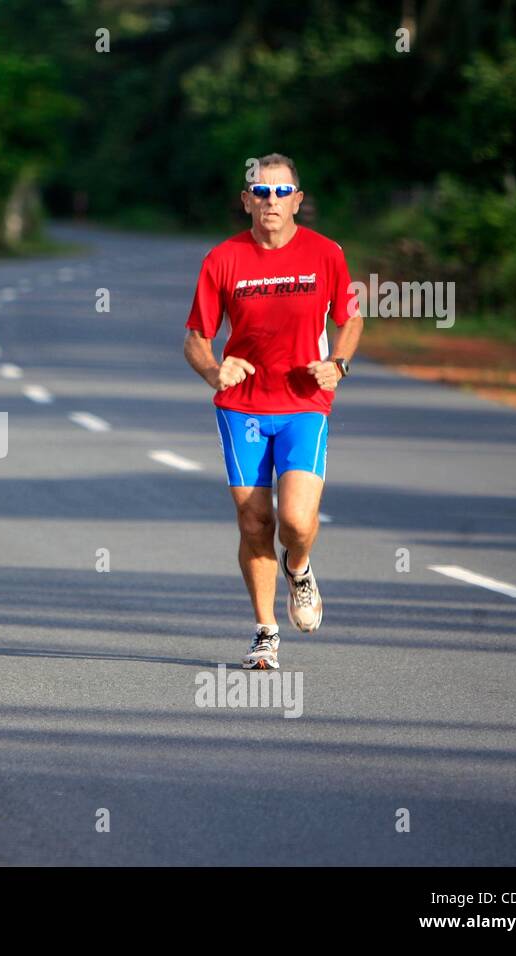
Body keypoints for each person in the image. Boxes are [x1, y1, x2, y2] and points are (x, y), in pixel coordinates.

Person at [183, 153, 363, 670]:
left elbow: (350, 319)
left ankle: (300, 567)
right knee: (254, 519)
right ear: (246, 201)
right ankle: (265, 631)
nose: (271, 202)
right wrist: (215, 372)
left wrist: (339, 363)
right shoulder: (223, 259)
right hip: (243, 407)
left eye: (282, 193)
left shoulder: (325, 254)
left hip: (305, 402)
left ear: (298, 201)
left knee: (295, 519)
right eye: (261, 192)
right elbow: (197, 338)